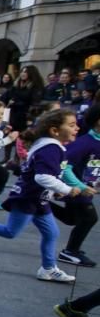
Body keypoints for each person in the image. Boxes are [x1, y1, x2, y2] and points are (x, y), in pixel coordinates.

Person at [0, 109, 91, 282]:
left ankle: (48, 268)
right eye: (71, 125)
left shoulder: (53, 147)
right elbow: (43, 176)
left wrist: (55, 191)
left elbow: (48, 176)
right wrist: (67, 190)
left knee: (52, 233)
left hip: (39, 199)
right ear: (55, 130)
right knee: (10, 231)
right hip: (27, 198)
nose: (77, 128)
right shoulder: (51, 148)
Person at [54, 103, 100, 267]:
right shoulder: (85, 143)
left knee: (71, 218)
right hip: (77, 188)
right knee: (90, 218)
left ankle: (40, 206)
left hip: (85, 186)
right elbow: (65, 166)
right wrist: (80, 186)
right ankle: (70, 251)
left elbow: (93, 164)